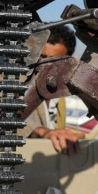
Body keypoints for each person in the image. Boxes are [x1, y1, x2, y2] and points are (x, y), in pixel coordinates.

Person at [22, 25, 83, 154]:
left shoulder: (58, 91)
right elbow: (9, 118)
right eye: (42, 57)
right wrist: (44, 132)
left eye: (53, 61)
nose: (45, 66)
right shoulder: (17, 83)